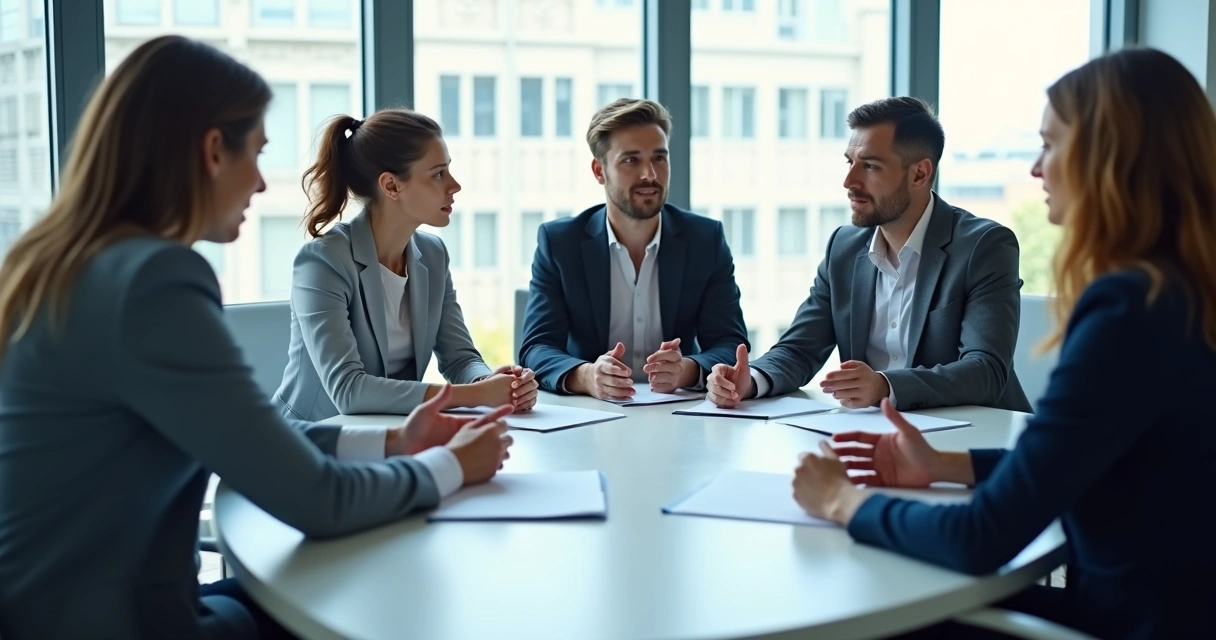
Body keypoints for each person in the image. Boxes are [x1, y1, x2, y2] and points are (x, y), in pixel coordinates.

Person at [0, 36, 513, 640]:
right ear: (213, 151)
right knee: (375, 606)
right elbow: (319, 502)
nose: (261, 186)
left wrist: (395, 441)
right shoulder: (154, 283)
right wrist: (448, 468)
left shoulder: (74, 262)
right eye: (256, 155)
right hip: (118, 620)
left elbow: (250, 439)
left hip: (57, 605)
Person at [792, 48, 1216, 639]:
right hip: (1173, 612)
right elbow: (1075, 458)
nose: (1038, 169)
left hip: (1123, 623)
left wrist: (841, 500)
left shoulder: (1127, 311)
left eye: (1051, 143)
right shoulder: (1184, 290)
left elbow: (978, 540)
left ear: (1110, 157)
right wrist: (946, 464)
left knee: (857, 612)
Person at [706, 97, 1031, 413]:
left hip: (975, 441)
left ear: (919, 174)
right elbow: (799, 349)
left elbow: (985, 370)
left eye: (871, 166)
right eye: (850, 162)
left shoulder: (984, 246)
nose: (850, 181)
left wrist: (885, 386)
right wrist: (752, 380)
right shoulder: (844, 247)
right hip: (876, 436)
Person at [273, 107, 539, 422]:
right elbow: (348, 390)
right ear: (391, 186)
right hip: (311, 441)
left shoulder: (433, 254)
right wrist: (477, 395)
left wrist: (490, 382)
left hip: (392, 435)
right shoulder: (323, 261)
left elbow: (460, 359)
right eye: (438, 174)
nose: (454, 185)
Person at [520, 98, 748, 400]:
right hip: (591, 416)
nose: (650, 175)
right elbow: (536, 347)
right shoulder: (561, 243)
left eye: (659, 158)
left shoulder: (705, 240)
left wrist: (687, 369)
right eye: (631, 160)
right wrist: (587, 376)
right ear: (599, 171)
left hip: (679, 413)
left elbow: (731, 343)